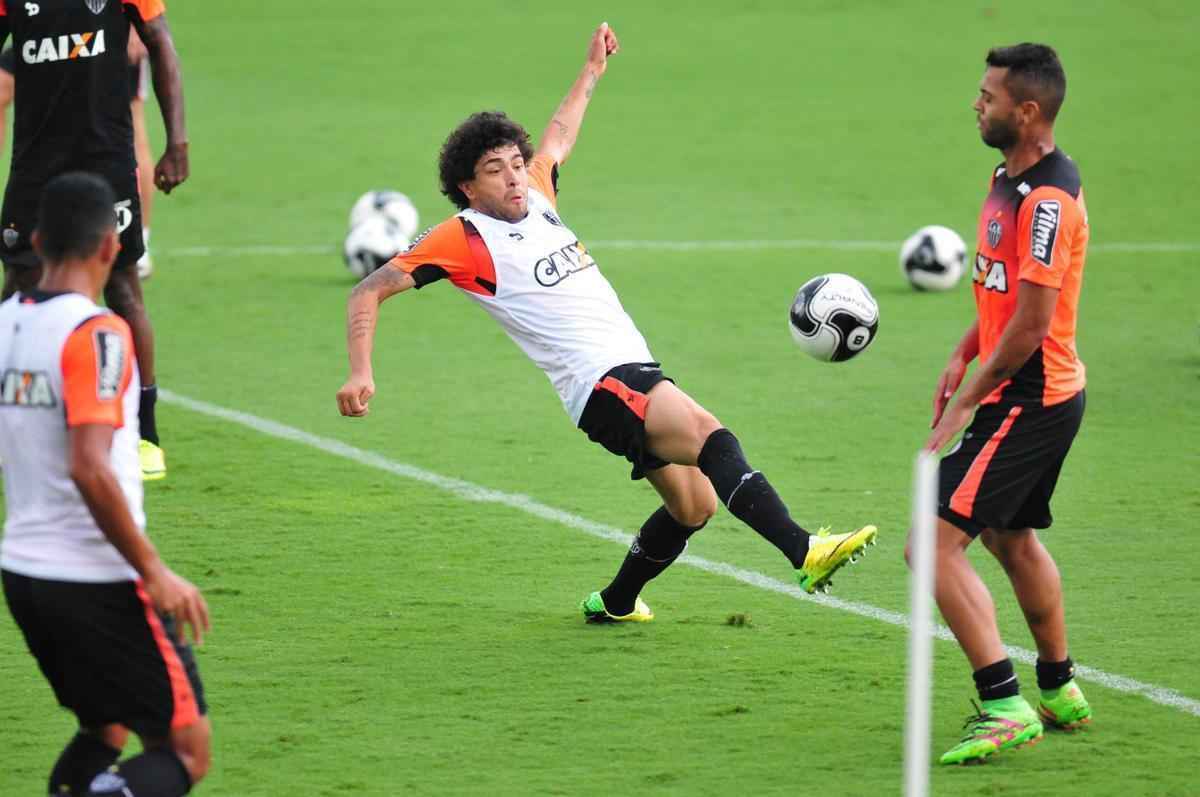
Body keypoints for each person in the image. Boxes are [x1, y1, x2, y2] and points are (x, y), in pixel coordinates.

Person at [336, 23, 878, 622]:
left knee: (693, 508)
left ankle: (615, 603)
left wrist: (592, 70)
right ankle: (806, 551)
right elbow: (368, 290)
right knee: (708, 432)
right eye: (496, 169)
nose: (515, 175)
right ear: (468, 186)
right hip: (601, 382)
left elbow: (560, 134)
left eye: (516, 162)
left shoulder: (537, 194)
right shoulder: (463, 238)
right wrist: (361, 371)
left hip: (628, 370)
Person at [0, 172, 210, 796]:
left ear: (37, 240)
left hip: (24, 574)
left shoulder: (6, 324)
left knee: (106, 730)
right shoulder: (98, 334)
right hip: (98, 578)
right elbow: (89, 466)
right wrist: (155, 571)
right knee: (184, 752)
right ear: (110, 248)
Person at [916, 43, 1092, 765]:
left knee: (930, 546)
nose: (976, 102)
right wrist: (965, 346)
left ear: (1026, 112)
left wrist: (967, 405)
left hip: (1027, 395)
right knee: (1010, 538)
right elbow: (1003, 294)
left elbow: (1030, 324)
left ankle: (1003, 701)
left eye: (988, 95)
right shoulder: (1009, 174)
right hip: (1024, 387)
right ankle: (1059, 687)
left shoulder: (1048, 201)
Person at [0, 0, 190, 480]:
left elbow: (161, 43)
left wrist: (178, 142)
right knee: (16, 292)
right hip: (35, 165)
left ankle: (145, 434)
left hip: (105, 159)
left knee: (123, 288)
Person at [0, 30, 158, 279]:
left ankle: (139, 241)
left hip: (104, 27)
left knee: (127, 120)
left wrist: (135, 27)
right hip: (45, 26)